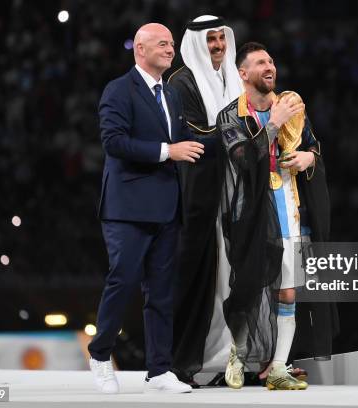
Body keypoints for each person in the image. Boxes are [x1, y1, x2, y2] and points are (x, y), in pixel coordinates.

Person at [88, 23, 204, 395]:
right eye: (163, 44)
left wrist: (247, 128)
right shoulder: (119, 89)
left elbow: (186, 141)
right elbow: (114, 141)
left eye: (172, 44)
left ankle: (159, 369)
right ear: (140, 48)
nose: (171, 49)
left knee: (161, 291)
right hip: (128, 207)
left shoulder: (170, 94)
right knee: (122, 280)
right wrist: (167, 152)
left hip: (166, 207)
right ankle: (101, 355)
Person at [216, 42, 332, 390]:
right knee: (248, 287)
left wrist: (309, 160)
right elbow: (242, 160)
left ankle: (279, 366)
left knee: (289, 291)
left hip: (289, 209)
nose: (270, 66)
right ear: (243, 73)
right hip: (250, 214)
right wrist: (273, 125)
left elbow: (313, 145)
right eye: (260, 62)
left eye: (271, 61)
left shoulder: (293, 107)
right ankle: (238, 351)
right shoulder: (230, 115)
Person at [167, 15, 243, 386]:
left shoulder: (234, 78)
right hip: (200, 197)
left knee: (233, 279)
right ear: (197, 43)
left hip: (236, 194)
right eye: (210, 40)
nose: (217, 45)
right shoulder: (181, 83)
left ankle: (235, 361)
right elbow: (196, 137)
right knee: (203, 279)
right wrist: (250, 134)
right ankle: (196, 363)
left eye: (220, 38)